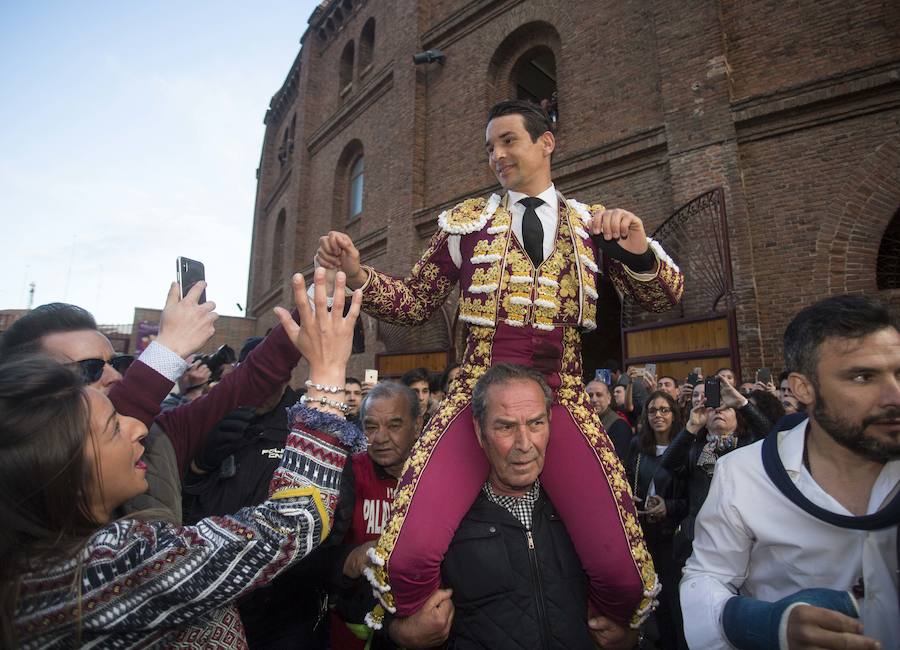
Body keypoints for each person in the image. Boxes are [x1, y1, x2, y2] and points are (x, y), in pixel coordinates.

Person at [317, 98, 684, 627]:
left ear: (546, 142)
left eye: (508, 140)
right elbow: (413, 302)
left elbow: (664, 298)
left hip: (562, 398)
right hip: (475, 395)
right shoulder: (466, 224)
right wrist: (356, 272)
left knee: (625, 577)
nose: (497, 155)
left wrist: (639, 248)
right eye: (490, 146)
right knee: (404, 559)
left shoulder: (594, 226)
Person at [0, 269, 367, 648]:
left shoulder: (54, 551)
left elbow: (249, 381)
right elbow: (290, 526)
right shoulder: (107, 566)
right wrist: (327, 377)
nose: (138, 428)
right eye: (90, 370)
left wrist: (313, 301)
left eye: (119, 362)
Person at [680, 295, 899, 649]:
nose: (894, 396)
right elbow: (707, 578)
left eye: (899, 373)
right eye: (863, 377)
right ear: (803, 388)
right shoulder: (744, 475)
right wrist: (764, 625)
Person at [0, 283, 308, 523]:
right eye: (90, 369)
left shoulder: (159, 437)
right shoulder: (18, 489)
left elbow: (254, 376)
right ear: (29, 391)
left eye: (115, 363)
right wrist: (166, 351)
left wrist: (323, 295)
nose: (115, 377)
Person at [387, 364, 638, 650]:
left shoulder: (584, 516)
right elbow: (386, 609)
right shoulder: (444, 523)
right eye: (505, 426)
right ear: (479, 433)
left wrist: (631, 635)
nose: (524, 444)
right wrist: (401, 632)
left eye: (535, 423)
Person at [330, 382, 422, 650]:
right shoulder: (346, 474)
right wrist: (350, 558)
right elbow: (318, 558)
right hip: (351, 625)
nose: (380, 438)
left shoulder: (435, 476)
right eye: (371, 427)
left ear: (417, 427)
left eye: (394, 426)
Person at [625, 390, 686, 649]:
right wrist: (631, 498)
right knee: (654, 597)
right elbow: (626, 479)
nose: (658, 415)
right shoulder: (638, 445)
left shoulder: (686, 446)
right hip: (645, 533)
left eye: (664, 410)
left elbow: (694, 498)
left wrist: (669, 507)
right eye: (652, 410)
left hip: (674, 535)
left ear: (674, 414)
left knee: (676, 600)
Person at [586, 377, 632, 460]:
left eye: (599, 395)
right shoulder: (582, 421)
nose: (594, 399)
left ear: (609, 398)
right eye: (590, 395)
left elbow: (618, 459)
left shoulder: (620, 426)